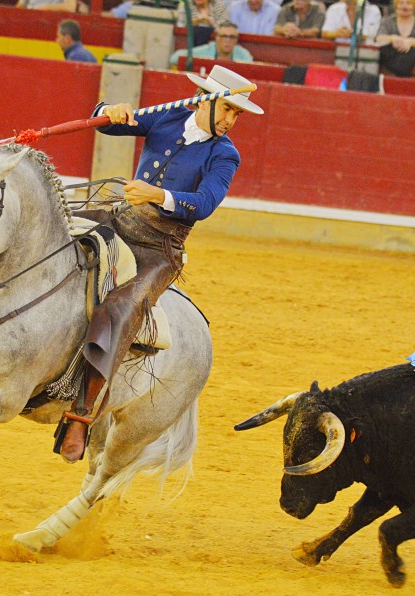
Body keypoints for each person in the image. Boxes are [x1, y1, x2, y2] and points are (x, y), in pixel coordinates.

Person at [55, 65, 263, 461]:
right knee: (52, 233)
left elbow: (205, 204)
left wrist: (157, 194)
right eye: (228, 109)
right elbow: (108, 126)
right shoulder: (169, 116)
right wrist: (109, 109)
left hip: (160, 246)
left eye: (237, 114)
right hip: (120, 219)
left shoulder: (225, 154)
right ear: (204, 101)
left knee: (121, 308)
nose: (231, 120)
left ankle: (82, 415)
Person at [375, 0, 415, 75]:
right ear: (396, 5)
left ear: (414, 6)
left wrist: (409, 42)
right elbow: (379, 38)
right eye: (401, 3)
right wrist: (392, 38)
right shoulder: (387, 21)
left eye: (408, 3)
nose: (404, 7)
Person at [170, 20, 254, 64]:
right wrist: (199, 61)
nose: (228, 40)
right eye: (224, 36)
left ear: (236, 40)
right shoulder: (207, 50)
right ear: (217, 38)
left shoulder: (242, 53)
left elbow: (251, 67)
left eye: (232, 37)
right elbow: (175, 58)